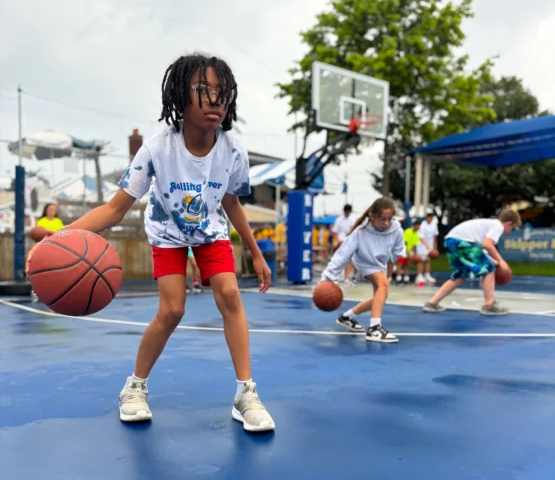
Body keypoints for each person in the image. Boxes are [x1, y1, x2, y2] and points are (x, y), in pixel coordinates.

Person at [27, 53, 275, 432]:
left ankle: (246, 393)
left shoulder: (233, 151)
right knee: (172, 310)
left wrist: (256, 254)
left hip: (209, 229)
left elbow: (231, 203)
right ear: (179, 97)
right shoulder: (158, 149)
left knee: (230, 294)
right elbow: (113, 210)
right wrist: (59, 239)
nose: (215, 100)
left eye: (221, 92)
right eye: (202, 91)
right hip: (167, 231)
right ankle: (135, 386)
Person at [322, 197, 406, 343]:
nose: (386, 223)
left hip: (381, 264)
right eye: (382, 219)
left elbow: (394, 255)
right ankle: (374, 329)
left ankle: (347, 317)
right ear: (372, 216)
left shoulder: (396, 229)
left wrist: (387, 278)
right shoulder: (360, 233)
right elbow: (342, 255)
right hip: (365, 261)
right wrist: (328, 278)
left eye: (389, 219)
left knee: (381, 296)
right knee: (382, 286)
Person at [423, 210, 521, 316]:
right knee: (488, 268)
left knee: (459, 277)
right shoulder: (498, 226)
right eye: (512, 228)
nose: (510, 231)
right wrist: (501, 261)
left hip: (451, 241)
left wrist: (495, 261)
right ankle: (490, 305)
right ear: (508, 223)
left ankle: (432, 303)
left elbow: (480, 250)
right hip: (462, 242)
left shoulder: (487, 225)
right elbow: (487, 245)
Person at [396, 220, 430, 285]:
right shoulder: (408, 231)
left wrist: (415, 254)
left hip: (408, 251)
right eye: (418, 226)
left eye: (419, 226)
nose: (419, 228)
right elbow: (405, 242)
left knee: (406, 265)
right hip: (402, 250)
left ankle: (406, 279)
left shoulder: (416, 234)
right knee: (400, 264)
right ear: (415, 226)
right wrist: (406, 252)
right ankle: (398, 278)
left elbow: (415, 246)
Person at [331, 204, 357, 283]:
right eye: (346, 212)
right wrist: (338, 240)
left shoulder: (353, 219)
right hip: (340, 241)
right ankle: (335, 276)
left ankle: (347, 278)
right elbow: (335, 232)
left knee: (350, 260)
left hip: (350, 241)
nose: (347, 214)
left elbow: (356, 231)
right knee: (339, 260)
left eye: (348, 212)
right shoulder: (339, 220)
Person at [417, 212, 438, 285]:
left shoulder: (434, 225)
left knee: (428, 260)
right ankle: (419, 276)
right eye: (429, 217)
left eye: (431, 217)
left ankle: (427, 275)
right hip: (422, 246)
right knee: (421, 260)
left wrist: (435, 247)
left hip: (430, 245)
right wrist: (426, 245)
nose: (430, 218)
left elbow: (435, 236)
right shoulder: (423, 225)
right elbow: (421, 237)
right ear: (426, 217)